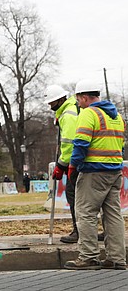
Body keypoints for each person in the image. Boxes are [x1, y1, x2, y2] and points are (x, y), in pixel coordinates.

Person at [64, 79, 126, 270]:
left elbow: (81, 143)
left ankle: (89, 256)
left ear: (83, 98)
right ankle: (116, 258)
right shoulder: (116, 116)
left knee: (85, 213)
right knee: (113, 215)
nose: (77, 103)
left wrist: (73, 166)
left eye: (78, 99)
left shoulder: (88, 114)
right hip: (115, 171)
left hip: (93, 172)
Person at [44, 84, 81, 243]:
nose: (50, 105)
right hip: (80, 161)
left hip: (77, 163)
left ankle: (79, 231)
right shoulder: (72, 109)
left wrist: (61, 165)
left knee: (74, 196)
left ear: (60, 100)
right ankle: (89, 230)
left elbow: (69, 144)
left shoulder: (68, 114)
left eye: (52, 102)